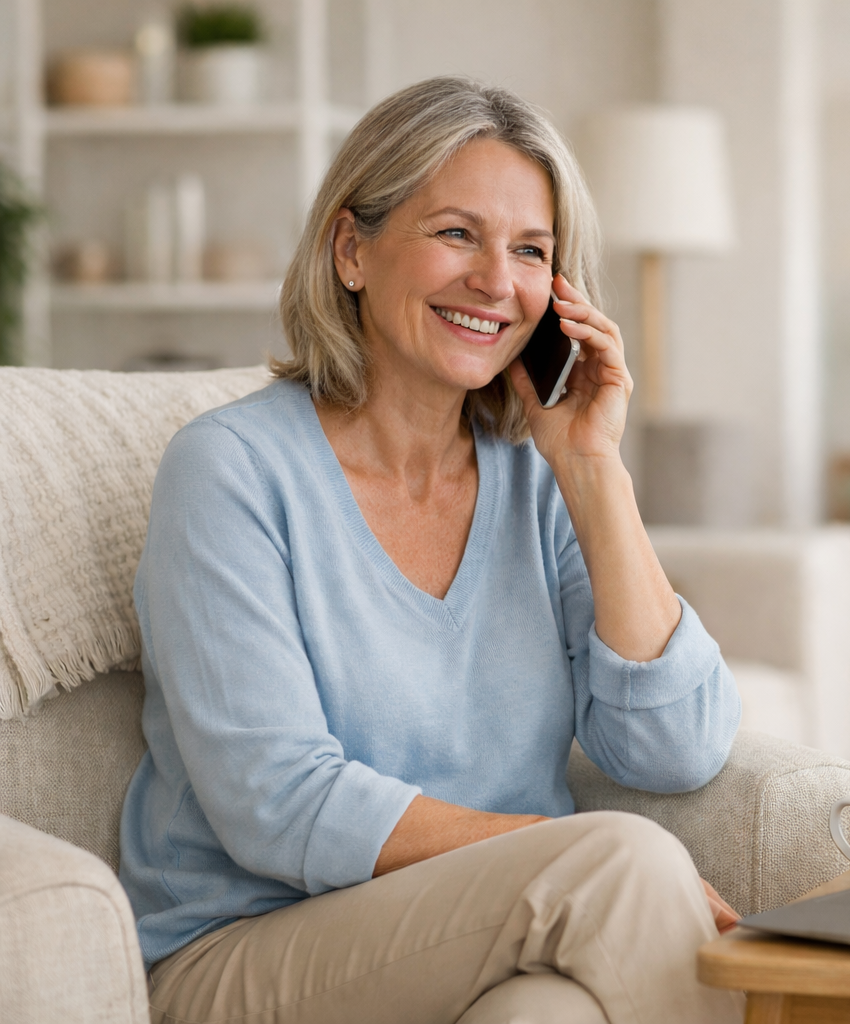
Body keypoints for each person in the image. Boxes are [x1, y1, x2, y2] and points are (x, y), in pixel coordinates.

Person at [118, 76, 744, 1024]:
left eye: (530, 250)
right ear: (352, 249)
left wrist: (593, 470)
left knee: (549, 1018)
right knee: (622, 861)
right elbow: (276, 802)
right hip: (243, 952)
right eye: (457, 233)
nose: (497, 281)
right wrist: (555, 859)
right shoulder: (230, 470)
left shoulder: (539, 482)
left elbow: (677, 746)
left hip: (476, 943)